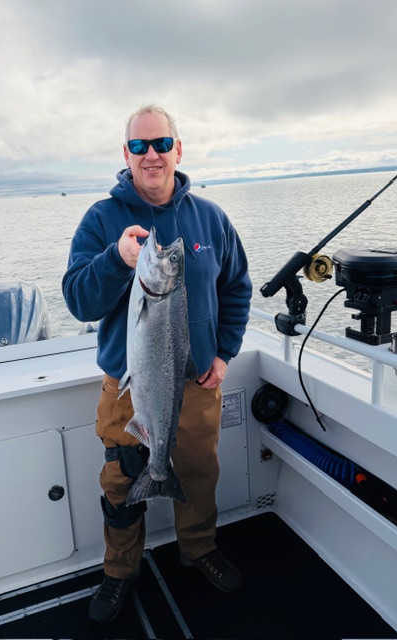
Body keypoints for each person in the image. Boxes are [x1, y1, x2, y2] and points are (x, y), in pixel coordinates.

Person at [62, 105, 252, 624]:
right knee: (121, 483)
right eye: (141, 146)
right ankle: (119, 571)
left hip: (196, 383)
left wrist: (224, 352)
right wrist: (117, 260)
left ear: (178, 150)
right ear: (126, 154)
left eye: (162, 144)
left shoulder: (210, 218)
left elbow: (236, 287)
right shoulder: (102, 219)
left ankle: (198, 549)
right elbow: (78, 301)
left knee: (198, 473)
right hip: (127, 388)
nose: (152, 155)